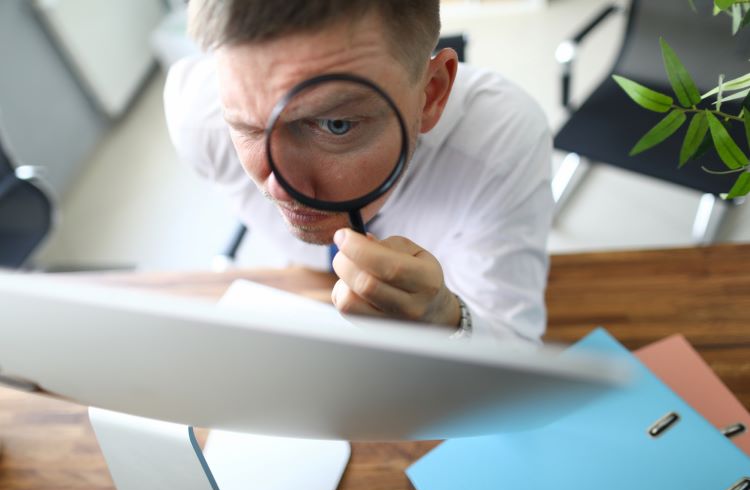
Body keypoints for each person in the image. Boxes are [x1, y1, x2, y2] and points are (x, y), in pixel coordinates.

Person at [164, 0, 553, 344]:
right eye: (248, 127)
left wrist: (448, 321)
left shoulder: (501, 145)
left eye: (337, 125)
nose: (282, 189)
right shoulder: (197, 124)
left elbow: (514, 342)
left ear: (431, 93)